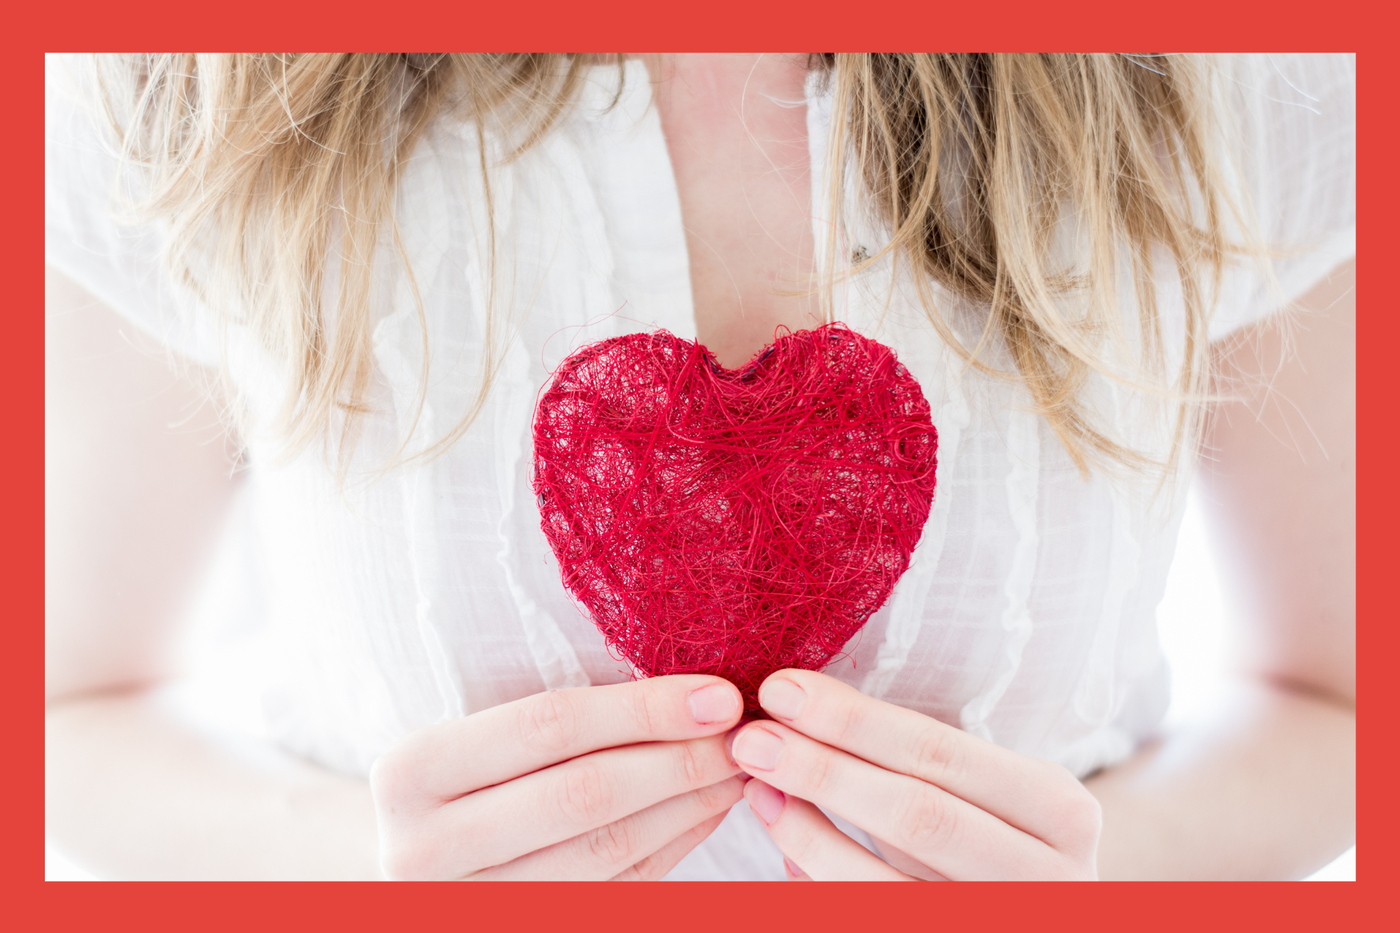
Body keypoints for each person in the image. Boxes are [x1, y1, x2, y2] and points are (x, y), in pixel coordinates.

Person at [44, 53, 1355, 880]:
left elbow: (1346, 714)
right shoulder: (178, 74)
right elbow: (59, 723)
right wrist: (360, 872)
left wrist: (1103, 877)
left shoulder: (1255, 74)